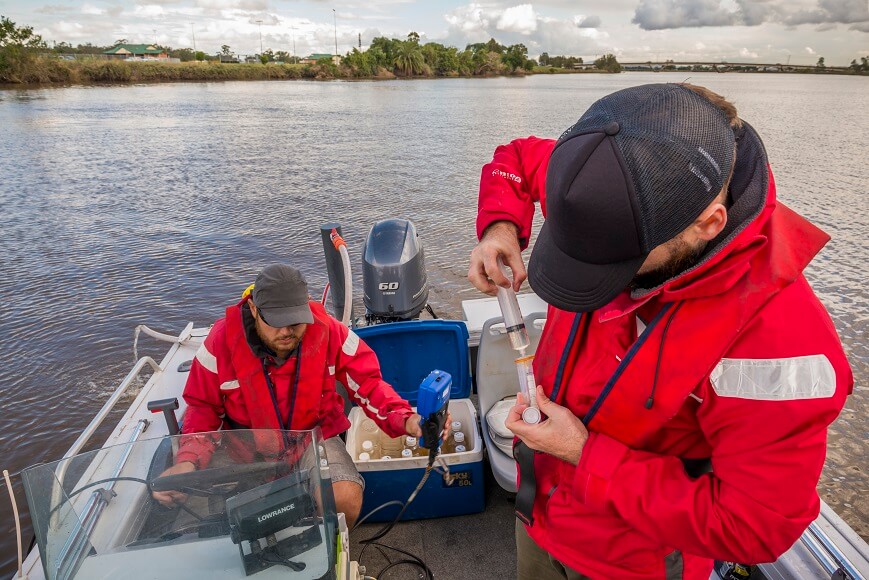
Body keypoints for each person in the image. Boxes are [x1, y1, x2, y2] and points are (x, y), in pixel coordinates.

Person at [468, 83, 853, 579]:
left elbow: (754, 525)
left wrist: (584, 454)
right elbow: (517, 159)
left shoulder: (778, 341)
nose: (588, 280)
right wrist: (500, 227)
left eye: (614, 262)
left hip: (631, 562)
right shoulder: (606, 175)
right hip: (541, 516)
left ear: (708, 224)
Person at [152, 263, 424, 528]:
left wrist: (408, 420)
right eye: (276, 321)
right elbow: (203, 408)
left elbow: (370, 386)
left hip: (313, 440)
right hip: (243, 449)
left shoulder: (330, 332)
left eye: (295, 321)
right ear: (253, 309)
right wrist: (188, 460)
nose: (286, 331)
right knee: (204, 519)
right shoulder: (219, 342)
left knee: (343, 498)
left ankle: (323, 550)